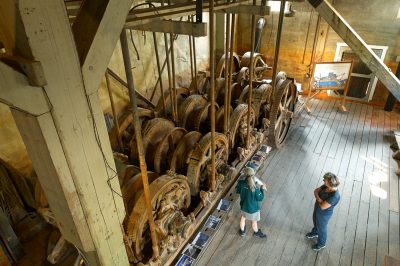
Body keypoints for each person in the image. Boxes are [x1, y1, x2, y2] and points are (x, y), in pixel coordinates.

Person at [306, 172, 340, 251]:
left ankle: (321, 244)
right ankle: (315, 232)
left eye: (325, 180)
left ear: (330, 183)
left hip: (324, 214)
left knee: (322, 228)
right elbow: (315, 191)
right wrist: (319, 199)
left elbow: (323, 206)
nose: (323, 180)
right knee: (315, 221)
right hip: (318, 208)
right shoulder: (325, 186)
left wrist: (317, 198)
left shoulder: (335, 196)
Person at [235, 167, 267, 238]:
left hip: (243, 206)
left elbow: (238, 191)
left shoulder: (240, 183)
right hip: (253, 209)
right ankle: (256, 232)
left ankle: (242, 232)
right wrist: (262, 189)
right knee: (254, 222)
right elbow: (260, 198)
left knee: (243, 218)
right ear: (253, 175)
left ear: (245, 175)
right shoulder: (255, 188)